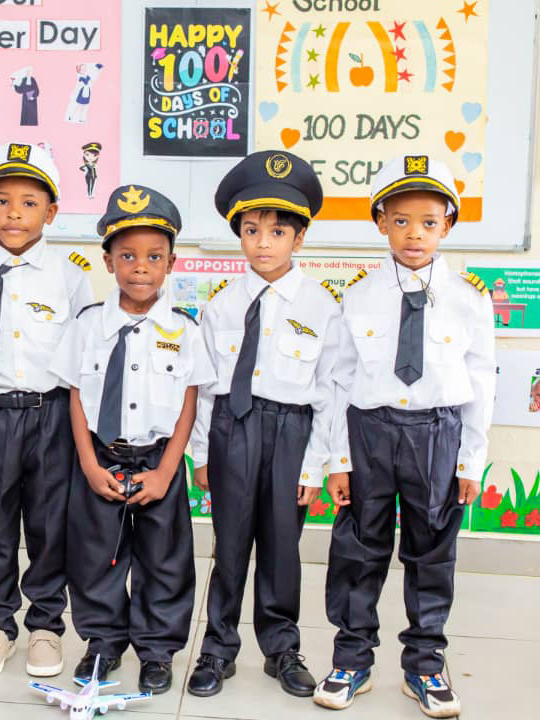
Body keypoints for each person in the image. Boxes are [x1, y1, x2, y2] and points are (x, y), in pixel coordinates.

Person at [314, 155, 495, 718]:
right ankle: (352, 659)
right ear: (380, 223)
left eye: (429, 222)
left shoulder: (469, 296)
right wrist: (337, 459)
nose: (414, 234)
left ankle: (425, 664)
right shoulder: (358, 294)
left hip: (437, 433)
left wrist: (471, 460)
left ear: (448, 226)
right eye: (400, 220)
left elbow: (481, 380)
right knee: (357, 549)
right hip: (369, 431)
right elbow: (338, 380)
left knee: (432, 551)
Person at [187, 151, 340, 700]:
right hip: (233, 429)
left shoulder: (322, 307)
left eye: (277, 231)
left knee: (281, 548)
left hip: (291, 433)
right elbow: (205, 388)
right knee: (229, 546)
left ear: (300, 238)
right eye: (251, 230)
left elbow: (329, 393)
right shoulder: (222, 306)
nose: (263, 243)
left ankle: (282, 648)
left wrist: (315, 465)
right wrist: (202, 453)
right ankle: (217, 647)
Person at [51, 184, 214, 694]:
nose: (140, 267)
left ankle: (157, 650)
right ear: (108, 261)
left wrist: (167, 471)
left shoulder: (185, 330)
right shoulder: (87, 325)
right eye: (127, 256)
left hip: (159, 461)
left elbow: (189, 403)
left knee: (164, 562)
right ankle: (102, 642)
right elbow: (76, 396)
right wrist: (88, 464)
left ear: (171, 263)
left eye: (153, 257)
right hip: (101, 456)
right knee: (94, 557)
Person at [0, 142, 93, 678]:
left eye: (30, 203)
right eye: (3, 200)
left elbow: (84, 356)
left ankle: (45, 626)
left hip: (50, 414)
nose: (15, 213)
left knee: (49, 523)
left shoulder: (69, 275)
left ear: (51, 212)